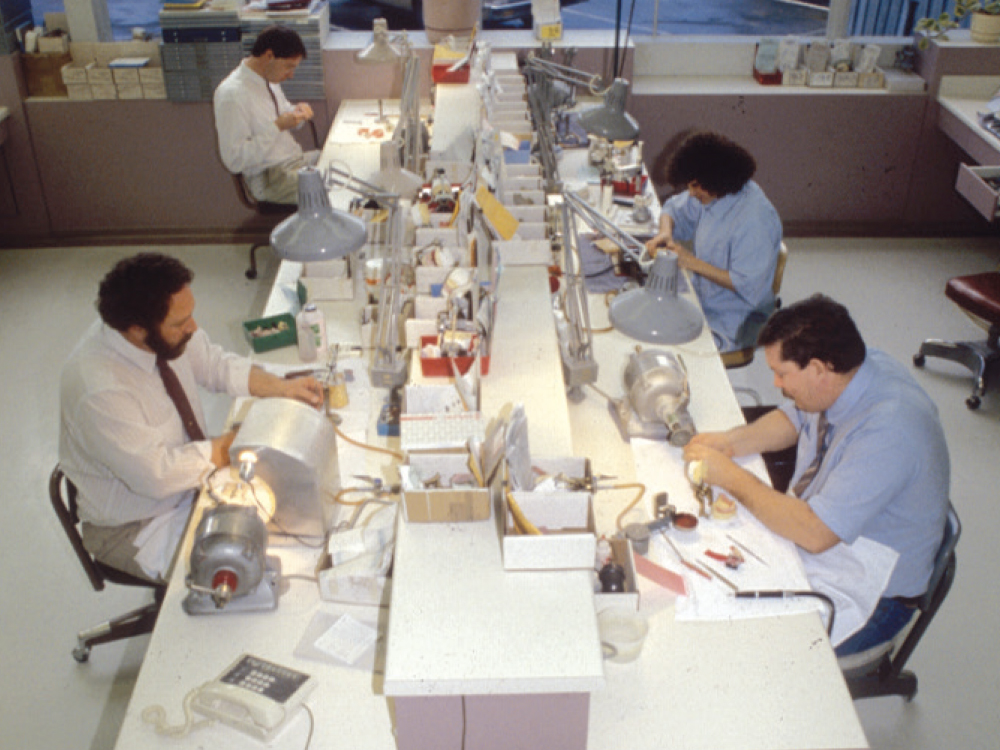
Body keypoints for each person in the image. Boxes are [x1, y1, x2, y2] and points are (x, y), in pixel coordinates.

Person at [682, 294, 949, 655]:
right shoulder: (850, 373)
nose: (776, 384)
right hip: (836, 538)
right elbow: (795, 418)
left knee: (745, 644)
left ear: (820, 369)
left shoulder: (890, 431)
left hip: (875, 592)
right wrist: (731, 442)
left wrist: (730, 475)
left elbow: (814, 533)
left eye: (781, 374)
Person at [59, 253, 324, 583]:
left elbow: (214, 364)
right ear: (136, 329)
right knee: (251, 568)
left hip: (189, 485)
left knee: (296, 514)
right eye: (179, 323)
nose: (193, 327)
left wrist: (284, 388)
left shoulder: (163, 331)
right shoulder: (98, 390)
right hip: (139, 525)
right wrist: (234, 444)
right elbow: (157, 476)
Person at [644, 131, 782, 352]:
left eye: (694, 186)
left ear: (715, 180)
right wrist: (665, 233)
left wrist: (689, 261)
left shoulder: (755, 221)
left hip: (733, 320)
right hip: (704, 297)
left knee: (663, 345)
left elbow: (746, 285)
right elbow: (672, 209)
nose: (690, 193)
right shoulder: (712, 192)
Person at [213, 25, 319, 204]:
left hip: (294, 161)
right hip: (269, 177)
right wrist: (277, 127)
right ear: (269, 56)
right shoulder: (232, 95)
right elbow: (234, 160)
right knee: (337, 186)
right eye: (288, 67)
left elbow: (281, 113)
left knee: (347, 163)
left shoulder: (268, 78)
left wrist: (297, 114)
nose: (291, 75)